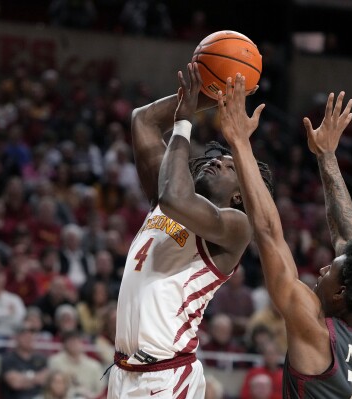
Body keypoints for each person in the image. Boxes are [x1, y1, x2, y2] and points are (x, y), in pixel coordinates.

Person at [218, 76, 352, 398]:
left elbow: (268, 234)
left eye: (329, 270)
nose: (321, 271)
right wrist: (327, 155)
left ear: (341, 293)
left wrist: (239, 143)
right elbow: (350, 239)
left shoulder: (317, 332)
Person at [107, 63, 272, 399]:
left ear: (239, 195)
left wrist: (184, 123)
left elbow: (174, 197)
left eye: (228, 166)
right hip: (124, 372)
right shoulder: (165, 197)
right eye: (215, 158)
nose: (216, 162)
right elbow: (143, 120)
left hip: (164, 378)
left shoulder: (234, 227)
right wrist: (208, 97)